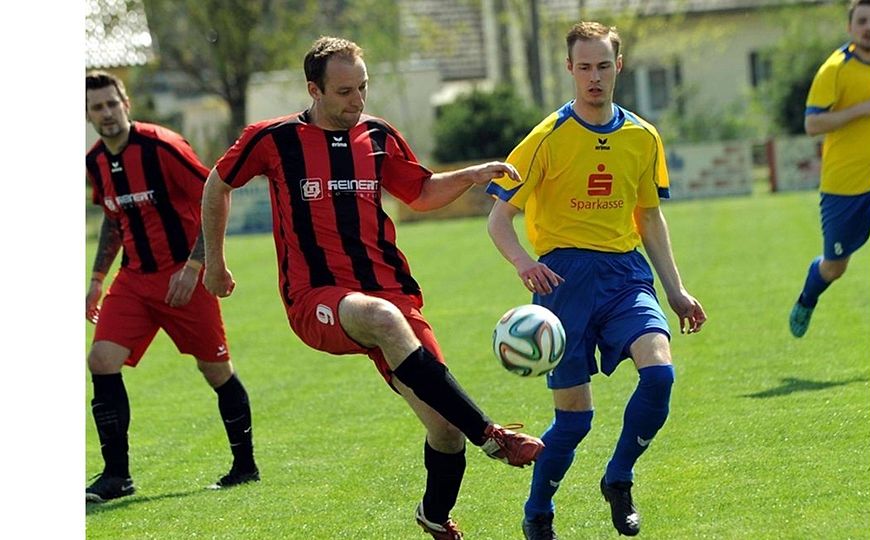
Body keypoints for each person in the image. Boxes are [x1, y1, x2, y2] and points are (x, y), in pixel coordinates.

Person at [200, 36, 544, 540]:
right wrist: (214, 262)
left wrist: (469, 176)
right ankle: (492, 435)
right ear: (313, 89)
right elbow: (218, 183)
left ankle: (434, 515)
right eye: (344, 92)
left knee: (445, 429)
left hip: (391, 292)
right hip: (316, 297)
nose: (357, 100)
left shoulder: (378, 135)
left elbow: (420, 193)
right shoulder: (273, 139)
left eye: (362, 87)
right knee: (382, 320)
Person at [486, 22, 707, 539]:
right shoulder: (546, 138)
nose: (594, 77)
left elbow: (649, 216)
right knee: (574, 422)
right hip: (563, 282)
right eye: (584, 67)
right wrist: (523, 264)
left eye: (603, 66)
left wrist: (675, 289)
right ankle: (538, 510)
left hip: (626, 274)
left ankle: (619, 478)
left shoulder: (643, 136)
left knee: (660, 376)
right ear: (569, 68)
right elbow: (499, 219)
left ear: (618, 66)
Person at [84, 71, 259, 503]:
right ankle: (116, 476)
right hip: (134, 280)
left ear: (126, 103)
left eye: (111, 103)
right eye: (96, 107)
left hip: (185, 277)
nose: (106, 113)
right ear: (87, 115)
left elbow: (214, 195)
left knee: (215, 371)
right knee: (101, 360)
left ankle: (245, 466)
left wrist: (196, 265)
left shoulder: (163, 146)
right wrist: (97, 279)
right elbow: (113, 219)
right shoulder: (95, 161)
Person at [789, 0, 870, 338]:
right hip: (845, 186)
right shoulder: (835, 69)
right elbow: (812, 124)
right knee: (835, 266)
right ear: (850, 28)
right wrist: (863, 109)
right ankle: (807, 299)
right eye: (862, 21)